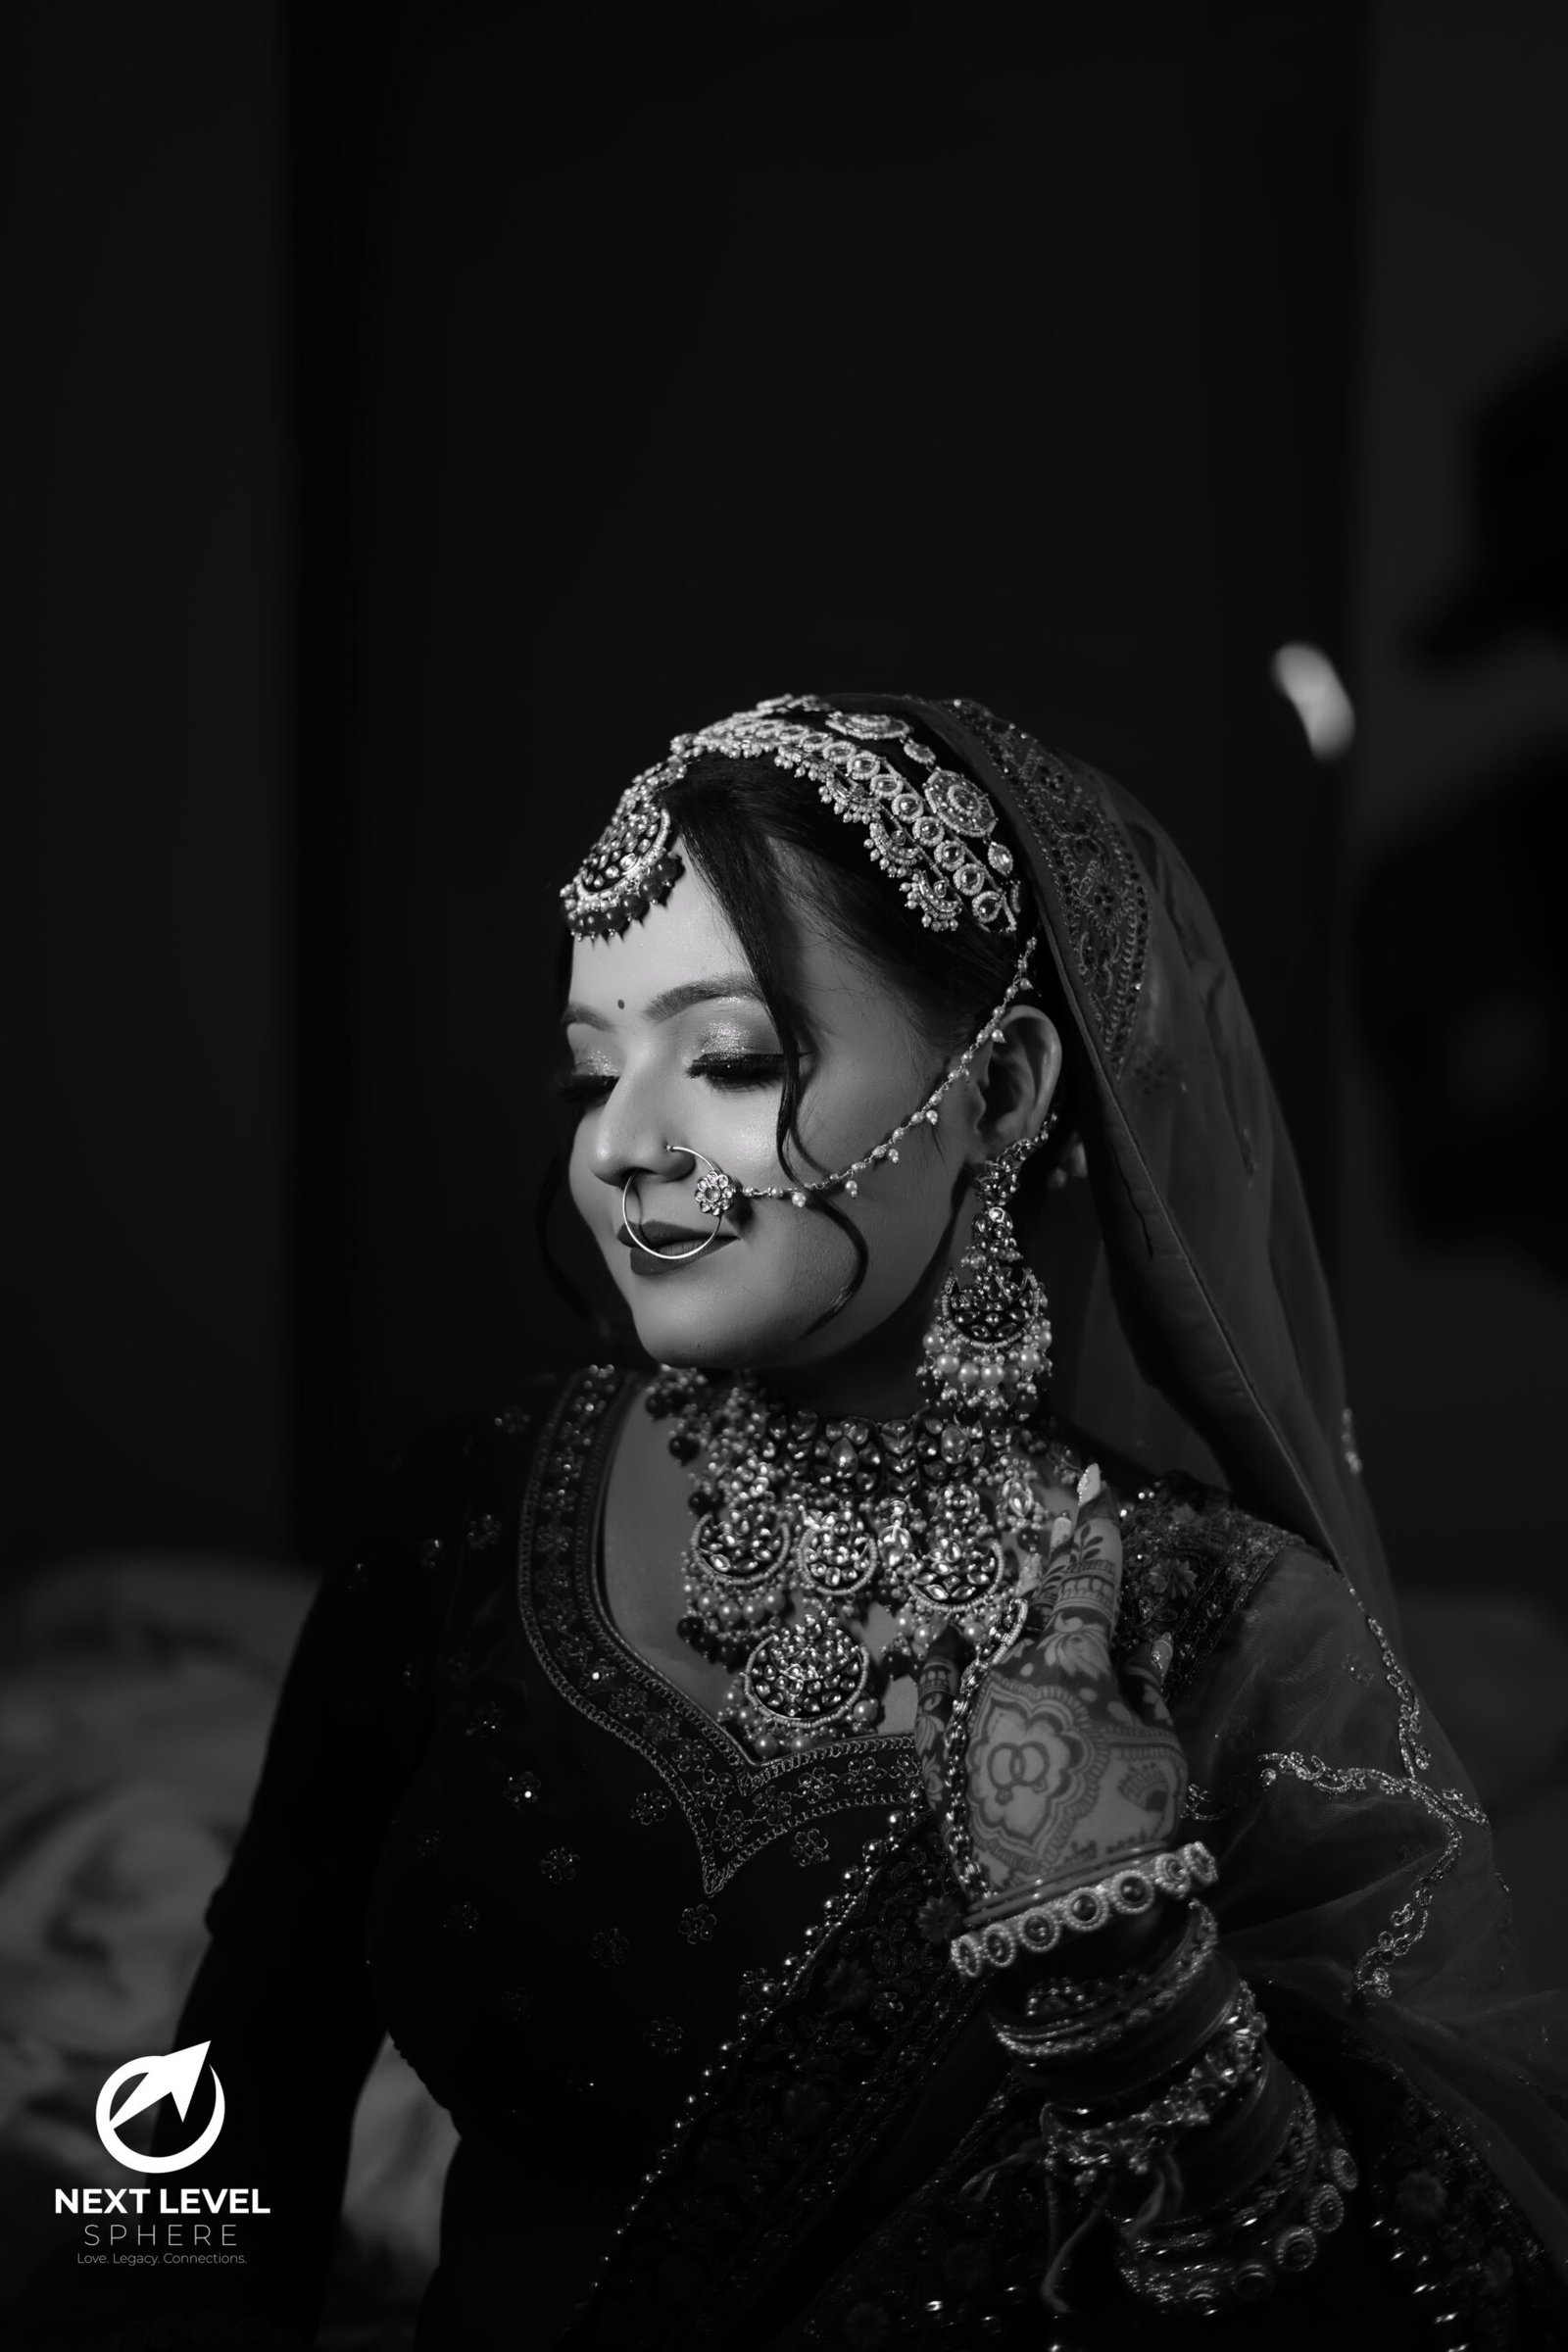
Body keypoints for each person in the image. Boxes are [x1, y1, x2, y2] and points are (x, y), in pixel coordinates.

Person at [70, 694, 1568, 2346]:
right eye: (589, 1071)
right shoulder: (479, 1510)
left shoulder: (1226, 1625)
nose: (620, 1147)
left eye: (730, 1060)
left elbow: (1456, 2302)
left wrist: (1136, 1994)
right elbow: (222, 2105)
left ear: (1003, 1092)